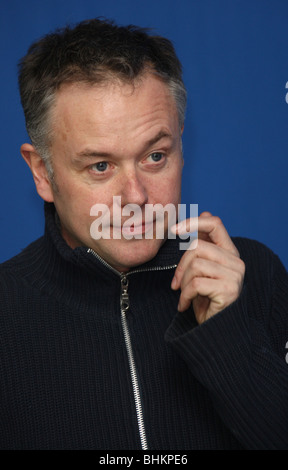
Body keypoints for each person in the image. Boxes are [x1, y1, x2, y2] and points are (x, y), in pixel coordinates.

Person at [0, 18, 287, 451]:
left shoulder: (254, 274)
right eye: (100, 166)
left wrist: (230, 337)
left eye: (155, 156)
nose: (135, 197)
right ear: (43, 172)